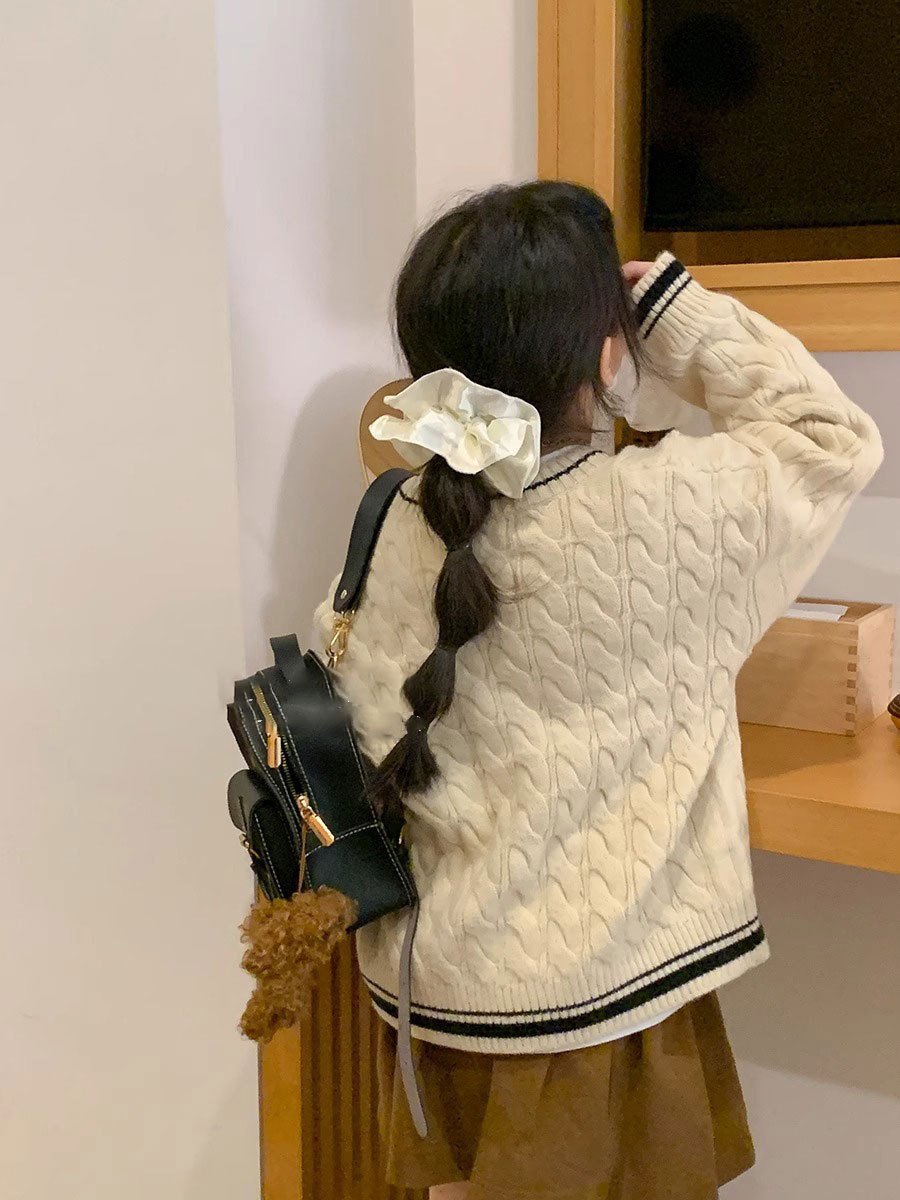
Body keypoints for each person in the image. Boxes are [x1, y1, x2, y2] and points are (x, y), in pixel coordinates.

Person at [315, 181, 882, 1200]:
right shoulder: (674, 512)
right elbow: (829, 437)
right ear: (608, 355)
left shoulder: (396, 515)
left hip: (432, 999)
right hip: (597, 1010)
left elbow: (359, 697)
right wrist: (673, 308)